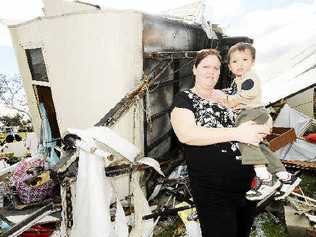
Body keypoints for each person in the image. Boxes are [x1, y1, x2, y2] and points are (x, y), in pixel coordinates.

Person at [170, 48, 270, 237]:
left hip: (247, 184)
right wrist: (238, 133)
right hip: (213, 190)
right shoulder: (185, 99)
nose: (211, 72)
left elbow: (257, 114)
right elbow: (187, 134)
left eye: (216, 68)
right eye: (206, 66)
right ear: (194, 69)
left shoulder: (227, 97)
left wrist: (262, 127)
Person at [216, 42, 301, 201]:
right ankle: (284, 176)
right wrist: (226, 94)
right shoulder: (236, 81)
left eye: (244, 60)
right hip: (250, 113)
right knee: (260, 145)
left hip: (252, 113)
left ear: (252, 62)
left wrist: (226, 100)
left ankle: (266, 179)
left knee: (245, 139)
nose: (239, 64)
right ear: (229, 66)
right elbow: (234, 92)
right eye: (235, 61)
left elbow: (244, 95)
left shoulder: (250, 78)